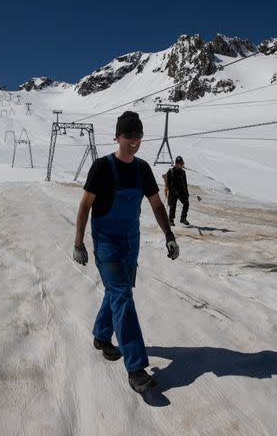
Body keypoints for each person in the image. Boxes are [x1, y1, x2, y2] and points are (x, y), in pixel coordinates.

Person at [72, 110, 179, 393]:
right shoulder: (102, 168)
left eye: (138, 136)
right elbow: (85, 205)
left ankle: (101, 336)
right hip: (106, 242)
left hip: (131, 243)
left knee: (117, 293)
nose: (134, 141)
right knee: (122, 295)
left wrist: (169, 234)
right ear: (117, 137)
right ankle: (136, 368)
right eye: (129, 136)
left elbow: (157, 204)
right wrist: (79, 242)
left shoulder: (143, 169)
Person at [165, 156, 190, 226]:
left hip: (181, 192)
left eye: (182, 164)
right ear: (177, 164)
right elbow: (168, 184)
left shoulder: (183, 172)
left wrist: (186, 192)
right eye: (181, 164)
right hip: (173, 192)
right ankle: (170, 220)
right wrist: (173, 191)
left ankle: (183, 219)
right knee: (173, 206)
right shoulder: (171, 172)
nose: (182, 165)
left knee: (186, 203)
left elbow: (185, 183)